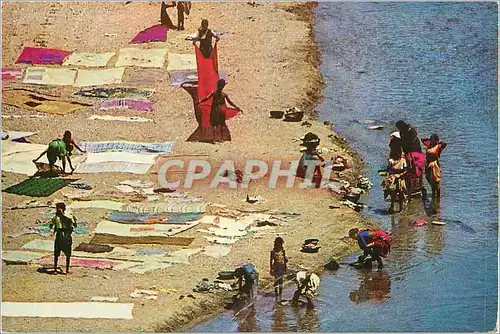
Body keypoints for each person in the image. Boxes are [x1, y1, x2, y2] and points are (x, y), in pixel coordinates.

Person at [395, 120, 426, 196]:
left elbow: (411, 141)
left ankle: (418, 186)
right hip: (410, 151)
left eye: (399, 127)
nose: (399, 129)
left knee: (416, 169)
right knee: (412, 170)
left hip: (415, 151)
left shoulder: (410, 131)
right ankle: (414, 186)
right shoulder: (403, 132)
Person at [50, 202, 77, 275]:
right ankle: (64, 270)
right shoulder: (62, 217)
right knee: (64, 254)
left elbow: (52, 225)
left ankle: (57, 269)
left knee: (59, 254)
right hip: (64, 236)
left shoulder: (58, 217)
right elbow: (75, 225)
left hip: (62, 236)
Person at [381, 146, 408, 213]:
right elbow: (388, 170)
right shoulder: (391, 161)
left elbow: (405, 170)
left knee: (401, 193)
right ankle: (392, 206)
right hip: (392, 179)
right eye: (398, 153)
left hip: (400, 179)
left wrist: (399, 175)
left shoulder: (403, 161)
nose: (399, 154)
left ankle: (400, 208)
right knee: (393, 193)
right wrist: (390, 177)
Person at [422, 134, 447, 199]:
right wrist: (429, 140)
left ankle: (438, 198)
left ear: (436, 140)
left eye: (433, 140)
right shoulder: (429, 146)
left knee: (436, 180)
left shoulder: (438, 147)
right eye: (431, 140)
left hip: (435, 164)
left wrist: (439, 142)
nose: (431, 141)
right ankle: (433, 194)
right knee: (429, 179)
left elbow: (445, 144)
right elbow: (422, 140)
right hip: (428, 164)